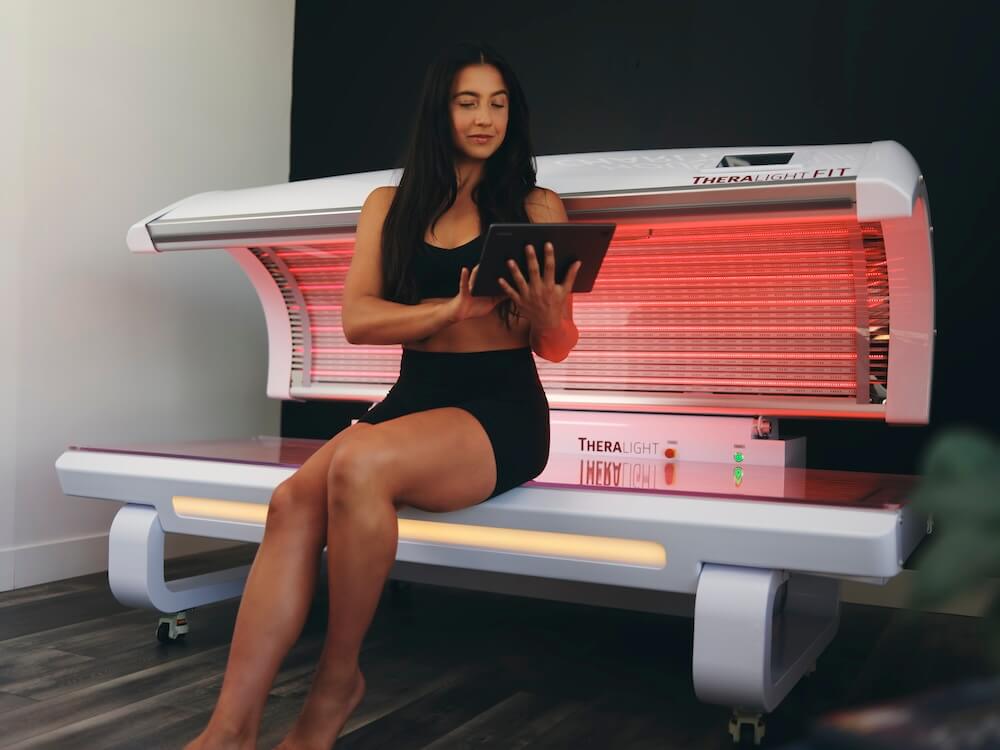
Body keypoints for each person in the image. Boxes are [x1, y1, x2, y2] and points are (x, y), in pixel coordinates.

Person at [184, 39, 581, 750]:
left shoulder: (534, 204)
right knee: (290, 501)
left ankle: (337, 682)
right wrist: (440, 313)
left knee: (359, 464)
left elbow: (556, 345)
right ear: (441, 110)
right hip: (415, 394)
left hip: (499, 409)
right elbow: (358, 319)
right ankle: (228, 730)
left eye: (498, 103)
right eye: (468, 102)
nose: (484, 118)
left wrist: (553, 320)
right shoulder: (389, 205)